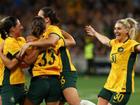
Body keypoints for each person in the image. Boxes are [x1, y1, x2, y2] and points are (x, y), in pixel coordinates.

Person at [85, 17, 140, 105]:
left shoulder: (131, 44)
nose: (115, 31)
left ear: (126, 30)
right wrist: (95, 33)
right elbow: (105, 41)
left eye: (119, 28)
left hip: (123, 87)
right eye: (115, 28)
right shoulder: (115, 42)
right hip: (109, 84)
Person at [0, 16, 37, 105]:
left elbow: (26, 62)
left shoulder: (21, 40)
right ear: (12, 28)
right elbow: (12, 65)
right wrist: (37, 47)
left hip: (20, 83)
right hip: (9, 83)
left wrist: (33, 43)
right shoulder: (8, 41)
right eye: (19, 25)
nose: (22, 27)